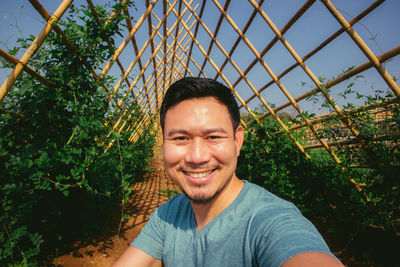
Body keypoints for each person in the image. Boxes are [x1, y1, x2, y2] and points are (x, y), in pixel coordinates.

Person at [113, 77, 343, 267]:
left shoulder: (268, 221)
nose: (197, 156)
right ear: (163, 144)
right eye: (180, 138)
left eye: (213, 137)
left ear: (237, 141)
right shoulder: (168, 216)